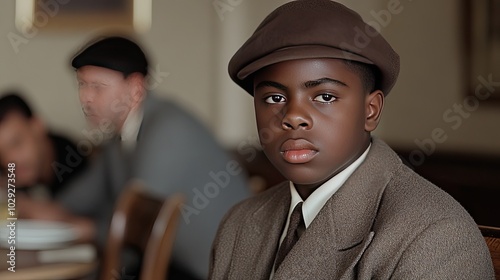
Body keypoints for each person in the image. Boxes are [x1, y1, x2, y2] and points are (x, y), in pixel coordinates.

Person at [209, 1, 494, 279]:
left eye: (325, 96)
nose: (293, 117)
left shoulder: (433, 237)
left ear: (370, 111)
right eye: (275, 98)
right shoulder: (240, 223)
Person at [19, 36, 251, 280]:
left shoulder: (167, 130)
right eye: (82, 85)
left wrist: (81, 228)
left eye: (97, 87)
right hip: (173, 265)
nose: (85, 98)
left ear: (136, 89)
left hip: (215, 272)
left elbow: (137, 227)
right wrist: (43, 210)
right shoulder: (116, 138)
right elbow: (84, 195)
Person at [0, 93, 88, 197]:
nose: (8, 160)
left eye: (16, 143)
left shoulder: (76, 167)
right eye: (1, 153)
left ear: (37, 127)